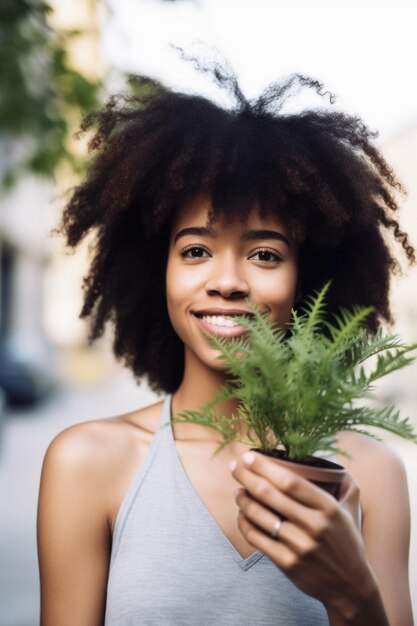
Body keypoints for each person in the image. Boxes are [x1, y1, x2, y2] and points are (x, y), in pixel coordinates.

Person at [37, 61, 415, 626]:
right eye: (195, 250)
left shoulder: (370, 476)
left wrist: (353, 596)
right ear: (154, 271)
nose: (228, 280)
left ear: (307, 283)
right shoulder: (88, 463)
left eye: (265, 254)